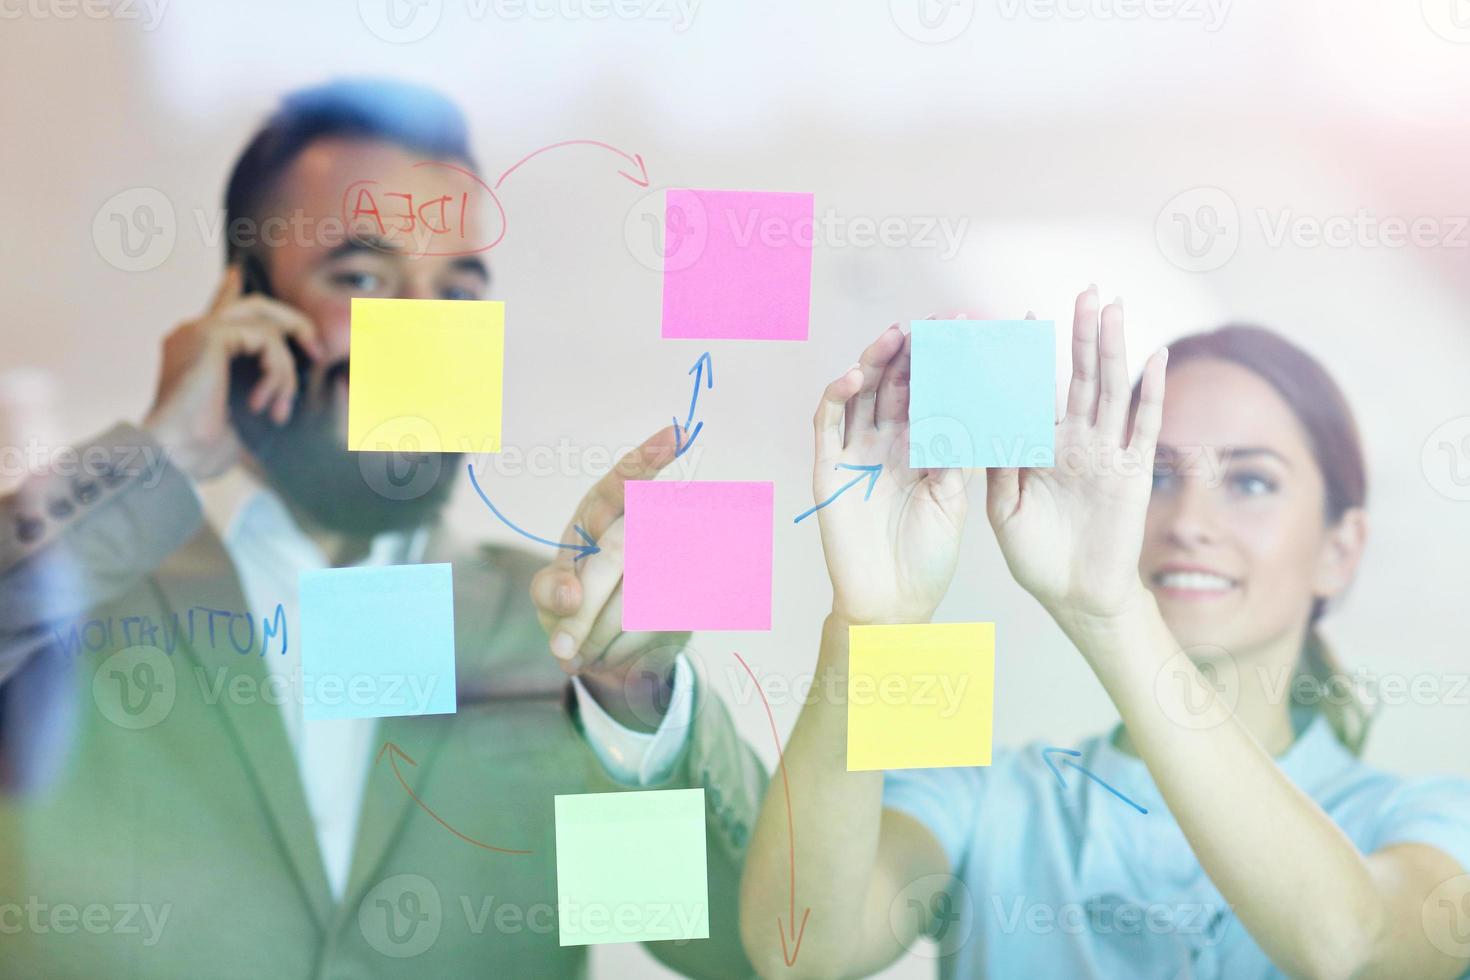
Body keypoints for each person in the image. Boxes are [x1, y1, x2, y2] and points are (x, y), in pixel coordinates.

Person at [0, 79, 763, 978]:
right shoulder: (72, 610)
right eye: (362, 278)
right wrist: (157, 451)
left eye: (455, 292)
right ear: (241, 305)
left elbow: (737, 949)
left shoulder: (551, 635)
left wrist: (634, 702)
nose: (418, 335)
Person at [739, 290, 1470, 978]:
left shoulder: (1428, 819)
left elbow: (1349, 945)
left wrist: (1111, 613)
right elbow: (797, 952)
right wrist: (871, 626)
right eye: (1156, 475)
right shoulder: (990, 795)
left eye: (1250, 482)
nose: (1188, 524)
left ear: (1340, 550)